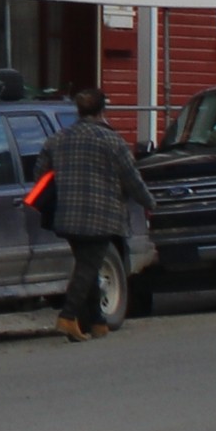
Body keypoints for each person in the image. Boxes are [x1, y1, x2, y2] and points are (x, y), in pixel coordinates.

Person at [38, 88, 150, 338]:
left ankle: (97, 322)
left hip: (66, 215)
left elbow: (40, 175)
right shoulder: (112, 141)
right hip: (102, 215)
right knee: (88, 267)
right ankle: (68, 316)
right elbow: (132, 179)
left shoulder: (57, 139)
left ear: (79, 111)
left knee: (87, 264)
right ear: (102, 111)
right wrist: (150, 202)